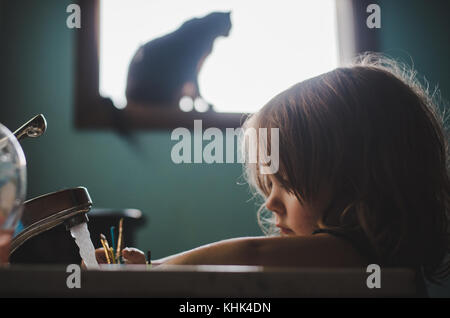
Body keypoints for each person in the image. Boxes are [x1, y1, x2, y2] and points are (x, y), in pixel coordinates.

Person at [95, 53, 450, 284]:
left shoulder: (351, 252)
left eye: (285, 183)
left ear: (356, 180)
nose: (270, 205)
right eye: (268, 188)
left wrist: (149, 271)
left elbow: (251, 255)